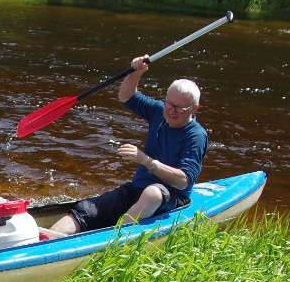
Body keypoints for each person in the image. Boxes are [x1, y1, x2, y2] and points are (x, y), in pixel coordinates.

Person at [49, 55, 208, 235]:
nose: (171, 111)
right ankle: (43, 241)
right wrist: (136, 72)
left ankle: (112, 240)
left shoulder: (196, 136)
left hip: (171, 197)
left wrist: (147, 161)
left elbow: (183, 181)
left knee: (152, 193)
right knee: (87, 209)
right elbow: (126, 96)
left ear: (194, 109)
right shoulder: (159, 111)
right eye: (169, 104)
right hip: (136, 190)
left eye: (179, 108)